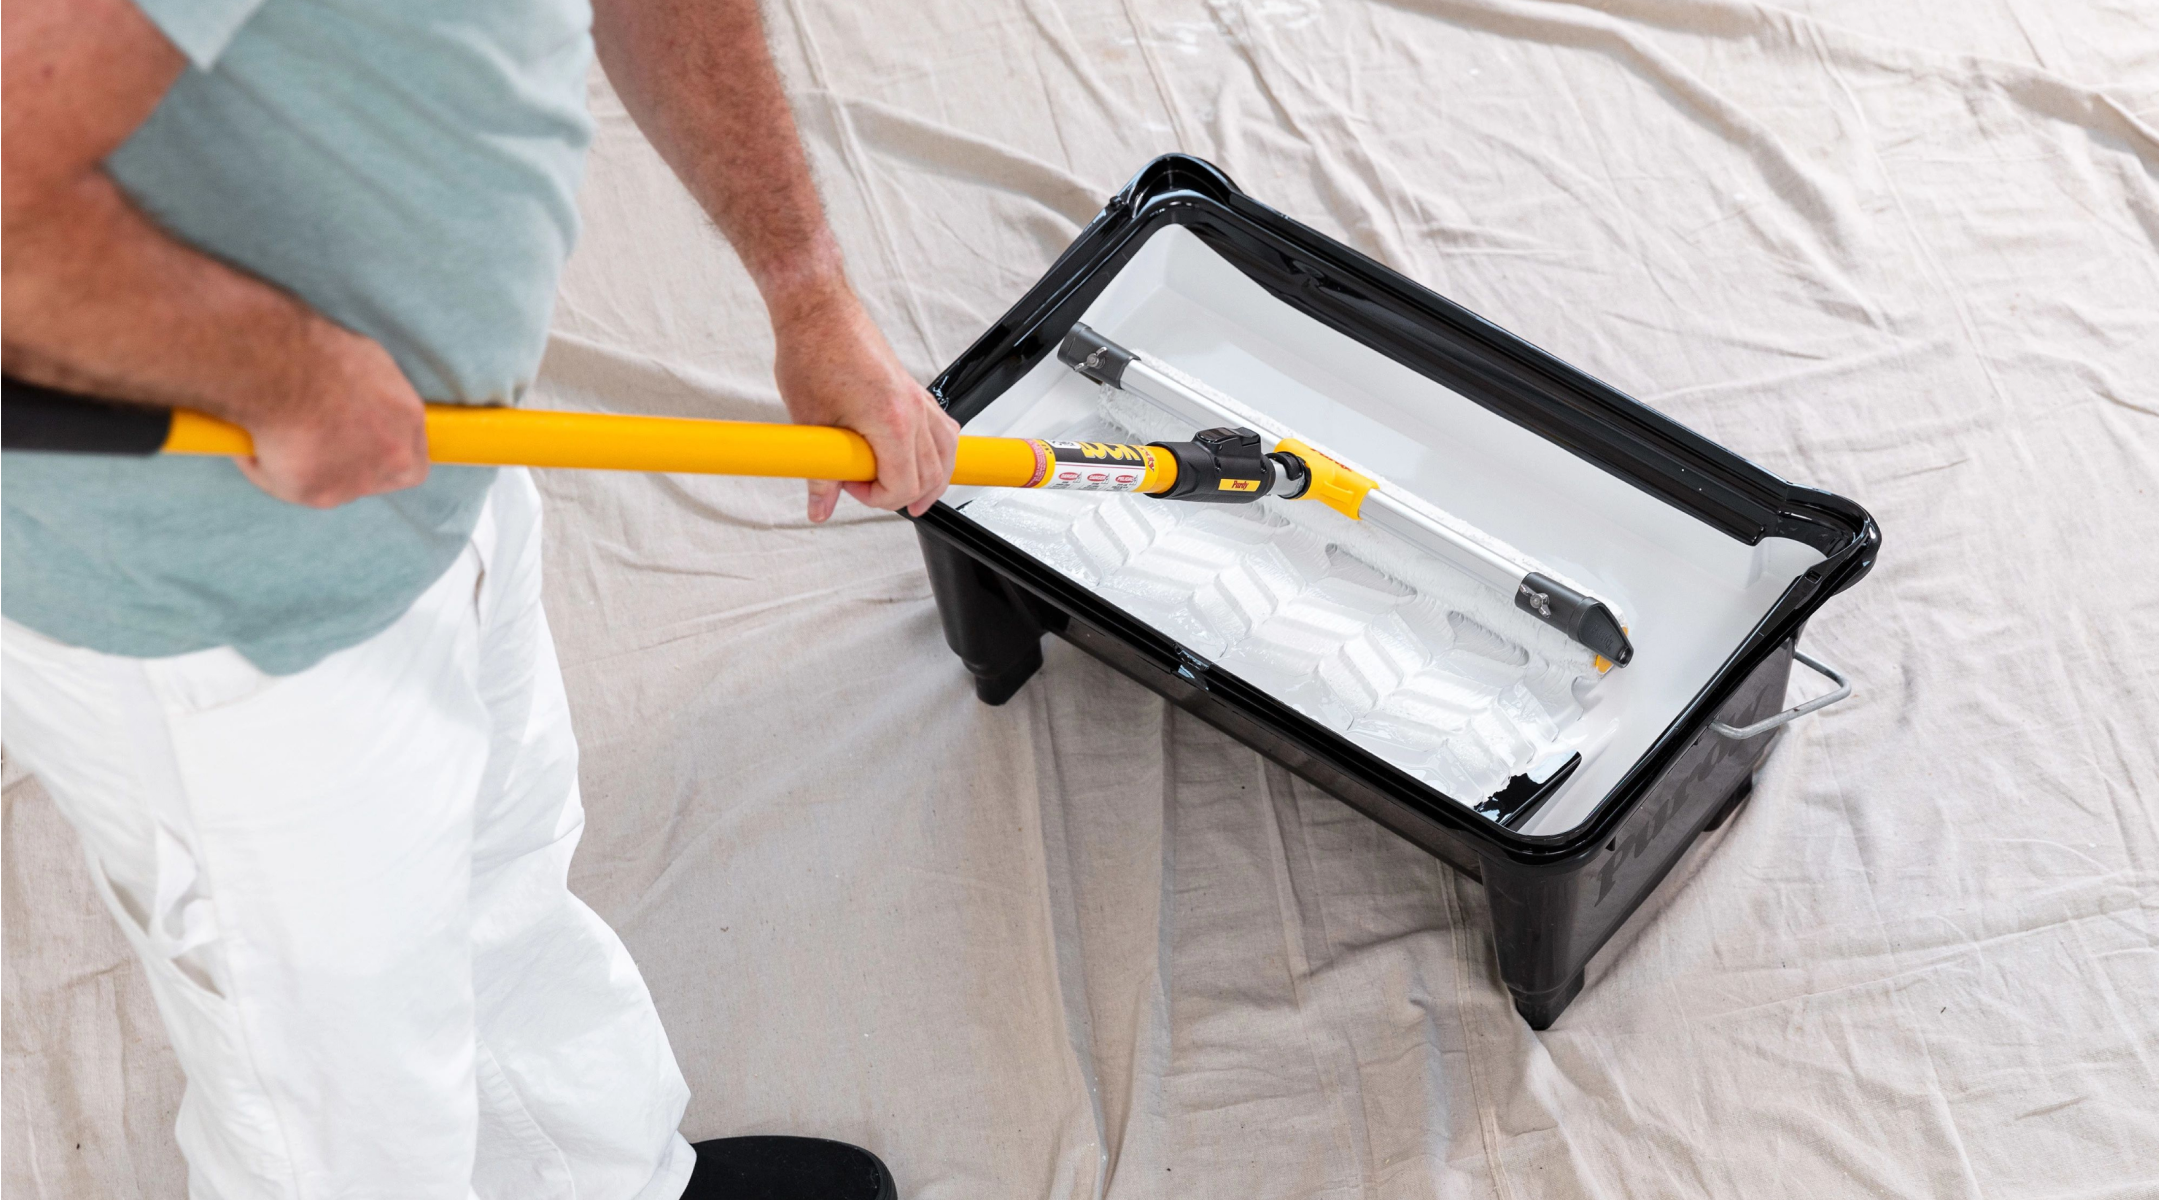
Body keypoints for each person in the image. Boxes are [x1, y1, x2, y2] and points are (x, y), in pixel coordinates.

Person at [0, 0, 959, 1193]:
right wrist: (281, 371)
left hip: (440, 468)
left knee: (498, 882)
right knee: (339, 1106)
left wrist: (809, 290)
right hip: (216, 599)